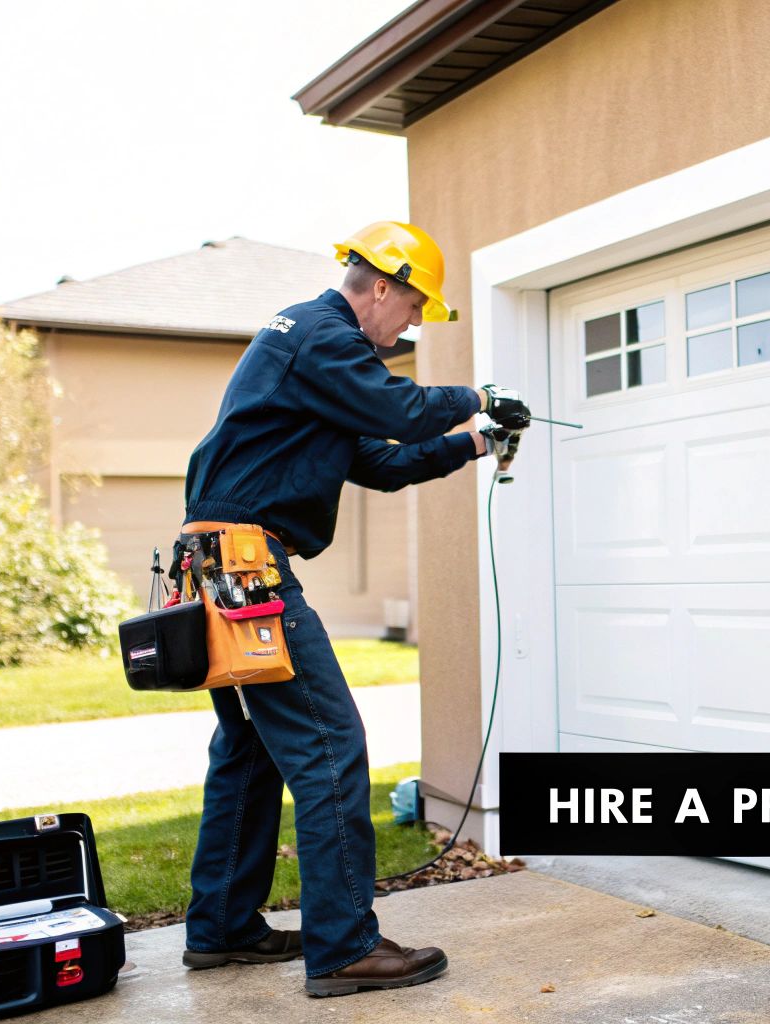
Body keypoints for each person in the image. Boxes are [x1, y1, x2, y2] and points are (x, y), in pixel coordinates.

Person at [175, 221, 527, 998]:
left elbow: (385, 460)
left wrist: (474, 440)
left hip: (218, 565)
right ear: (379, 288)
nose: (410, 326)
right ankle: (343, 948)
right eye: (410, 309)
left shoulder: (314, 359)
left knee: (251, 750)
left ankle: (222, 928)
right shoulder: (320, 335)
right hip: (242, 566)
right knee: (331, 745)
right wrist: (477, 394)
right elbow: (398, 410)